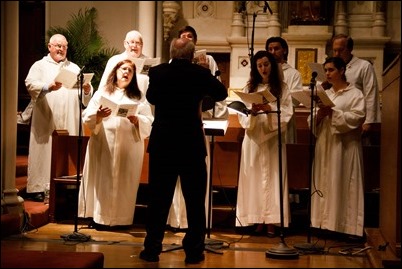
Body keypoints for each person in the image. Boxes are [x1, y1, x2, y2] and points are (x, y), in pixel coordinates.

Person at [140, 37, 228, 264]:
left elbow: (151, 97)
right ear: (191, 55)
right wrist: (206, 74)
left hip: (163, 144)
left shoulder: (158, 72)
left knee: (158, 200)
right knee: (194, 201)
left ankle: (151, 250)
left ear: (171, 53)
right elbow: (221, 93)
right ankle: (194, 252)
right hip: (190, 143)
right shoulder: (199, 74)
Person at [77, 59, 153, 227]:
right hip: (103, 143)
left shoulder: (138, 97)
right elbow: (87, 115)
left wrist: (138, 119)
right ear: (116, 71)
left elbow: (149, 120)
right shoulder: (103, 92)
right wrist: (98, 115)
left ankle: (122, 220)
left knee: (125, 183)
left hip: (129, 146)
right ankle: (100, 219)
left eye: (130, 71)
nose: (126, 72)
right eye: (123, 69)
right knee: (103, 181)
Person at [167, 25, 228, 231]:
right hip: (187, 132)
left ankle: (159, 244)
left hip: (194, 124)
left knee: (193, 189)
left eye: (190, 37)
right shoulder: (168, 67)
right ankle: (179, 223)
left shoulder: (207, 61)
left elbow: (218, 93)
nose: (187, 39)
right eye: (183, 37)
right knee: (180, 187)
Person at [25, 34, 93, 201]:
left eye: (63, 46)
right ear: (49, 47)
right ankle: (40, 188)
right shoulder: (39, 66)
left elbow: (86, 96)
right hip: (47, 118)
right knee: (45, 152)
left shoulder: (75, 68)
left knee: (66, 152)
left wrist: (86, 90)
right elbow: (30, 84)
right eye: (57, 45)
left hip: (69, 118)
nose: (60, 49)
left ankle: (67, 186)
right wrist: (48, 86)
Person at [235, 50, 293, 237]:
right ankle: (257, 219)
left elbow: (287, 113)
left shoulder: (282, 88)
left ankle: (272, 222)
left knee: (273, 180)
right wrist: (250, 112)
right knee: (254, 179)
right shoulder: (249, 88)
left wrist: (270, 108)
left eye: (266, 64)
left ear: (272, 65)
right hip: (253, 139)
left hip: (272, 140)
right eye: (259, 65)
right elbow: (242, 114)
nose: (263, 69)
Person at [308, 57, 366, 237]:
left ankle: (344, 226)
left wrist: (333, 113)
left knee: (341, 181)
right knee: (325, 181)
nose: (327, 74)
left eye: (331, 70)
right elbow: (312, 120)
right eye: (325, 70)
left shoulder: (355, 93)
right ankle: (321, 223)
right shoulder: (328, 94)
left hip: (344, 146)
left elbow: (357, 116)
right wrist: (319, 115)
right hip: (325, 144)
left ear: (342, 71)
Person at [331, 34, 380, 145]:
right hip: (336, 118)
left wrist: (369, 121)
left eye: (340, 50)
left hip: (357, 117)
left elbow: (371, 93)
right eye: (334, 51)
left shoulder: (364, 66)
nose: (337, 54)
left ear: (350, 49)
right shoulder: (331, 68)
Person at [266, 36, 303, 144]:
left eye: (276, 49)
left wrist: (276, 96)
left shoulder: (293, 74)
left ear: (284, 50)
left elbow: (295, 100)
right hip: (266, 119)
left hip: (285, 120)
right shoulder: (263, 71)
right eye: (270, 49)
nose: (273, 52)